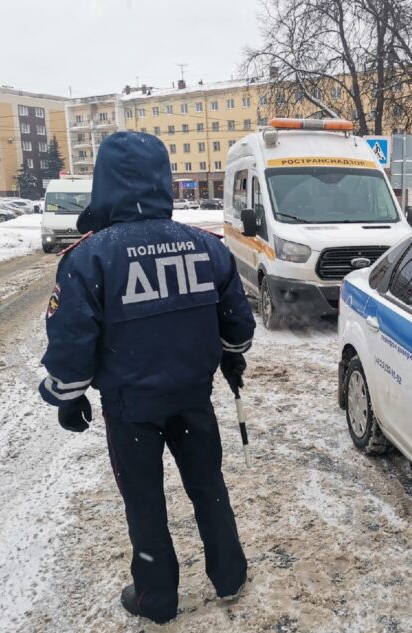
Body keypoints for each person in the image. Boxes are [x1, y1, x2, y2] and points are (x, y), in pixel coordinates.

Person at [38, 131, 255, 625]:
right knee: (207, 486)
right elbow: (238, 325)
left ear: (105, 182)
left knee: (145, 502)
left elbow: (72, 342)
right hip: (192, 399)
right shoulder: (207, 248)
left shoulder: (91, 257)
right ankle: (230, 575)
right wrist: (230, 356)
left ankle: (157, 597)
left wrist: (66, 397)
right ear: (164, 180)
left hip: (131, 408)